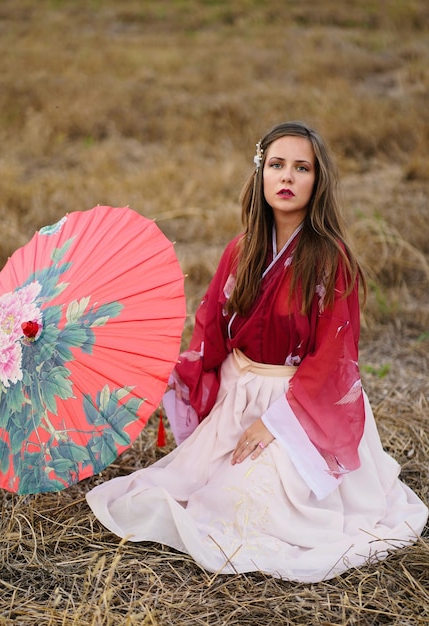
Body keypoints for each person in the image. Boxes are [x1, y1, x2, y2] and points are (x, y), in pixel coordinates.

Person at [86, 121, 428, 583]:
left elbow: (333, 358)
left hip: (301, 405)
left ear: (318, 180)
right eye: (276, 165)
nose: (286, 177)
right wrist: (178, 373)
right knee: (177, 491)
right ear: (261, 174)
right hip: (239, 393)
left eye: (301, 167)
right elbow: (209, 330)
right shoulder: (240, 251)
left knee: (249, 508)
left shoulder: (331, 260)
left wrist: (275, 424)